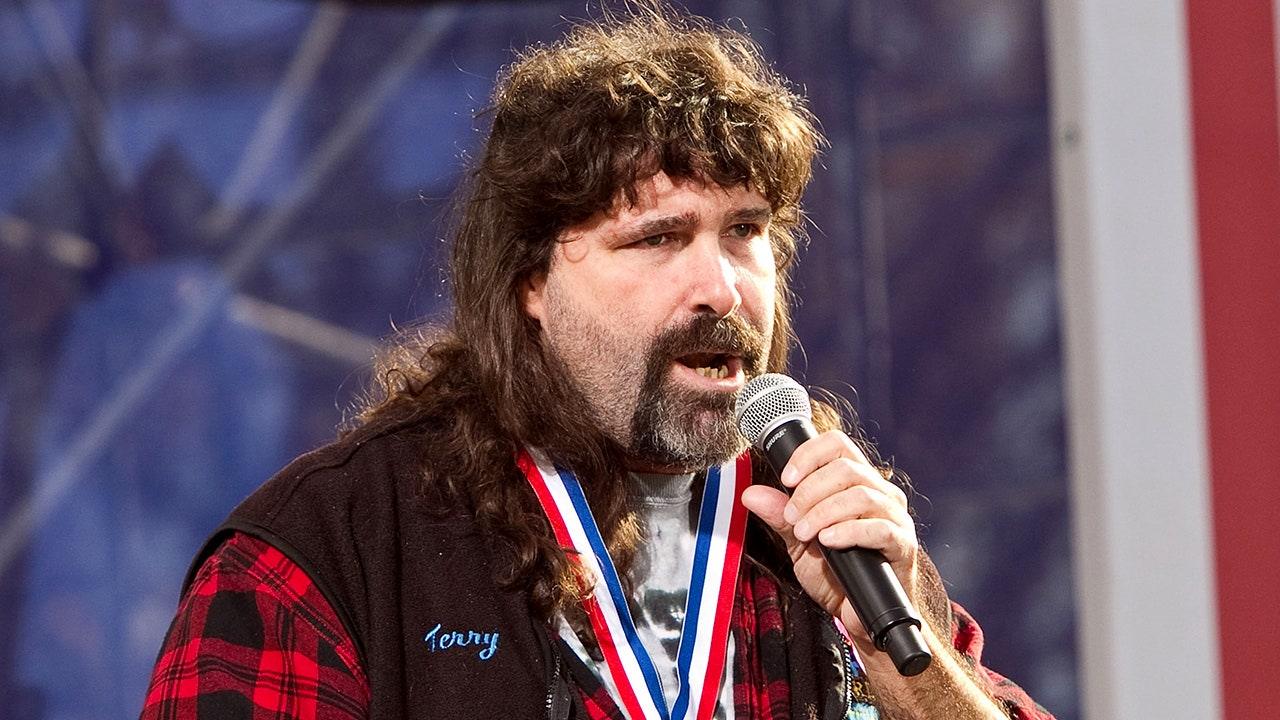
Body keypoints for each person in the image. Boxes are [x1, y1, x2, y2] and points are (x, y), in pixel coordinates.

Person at [140, 8, 1054, 720]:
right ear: (531, 281)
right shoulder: (333, 554)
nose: (721, 288)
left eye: (745, 232)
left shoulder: (832, 537)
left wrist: (907, 665)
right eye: (658, 238)